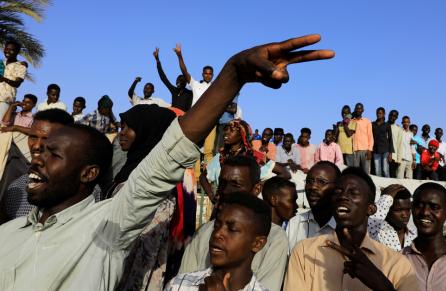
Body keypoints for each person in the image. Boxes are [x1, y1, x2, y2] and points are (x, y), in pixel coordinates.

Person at [0, 34, 335, 290]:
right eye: (39, 150)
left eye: (53, 154)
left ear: (89, 173)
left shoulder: (105, 226)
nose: (37, 159)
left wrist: (232, 75)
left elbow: (167, 156)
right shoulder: (8, 233)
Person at [284, 167, 418, 291]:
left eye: (353, 193)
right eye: (338, 192)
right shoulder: (304, 252)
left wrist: (382, 285)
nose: (343, 197)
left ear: (370, 209)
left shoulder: (397, 264)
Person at [181, 156, 289, 291]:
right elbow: (183, 282)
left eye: (235, 185)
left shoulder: (274, 238)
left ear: (256, 189)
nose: (225, 190)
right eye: (222, 183)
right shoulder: (205, 231)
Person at [112, 105, 178, 290]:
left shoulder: (154, 187)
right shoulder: (132, 169)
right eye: (121, 127)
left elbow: (143, 255)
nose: (121, 133)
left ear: (148, 131)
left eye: (128, 128)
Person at [165, 194, 271, 291]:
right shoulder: (179, 285)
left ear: (257, 244)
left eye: (232, 229)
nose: (217, 234)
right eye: (216, 225)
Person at [0, 109, 74, 223]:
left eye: (46, 139)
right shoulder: (17, 186)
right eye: (33, 137)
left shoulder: (80, 190)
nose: (36, 145)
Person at [174, 43, 216, 163]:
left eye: (210, 73)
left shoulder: (215, 87)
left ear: (212, 75)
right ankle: (195, 179)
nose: (208, 75)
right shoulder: (196, 84)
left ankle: (208, 180)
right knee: (194, 148)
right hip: (196, 119)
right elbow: (184, 71)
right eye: (206, 73)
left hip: (210, 120)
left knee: (208, 151)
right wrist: (179, 55)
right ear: (202, 74)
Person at [285, 161, 340, 252]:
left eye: (322, 182)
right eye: (309, 181)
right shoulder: (295, 223)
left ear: (337, 188)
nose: (313, 187)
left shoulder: (345, 227)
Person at [368, 184, 417, 251]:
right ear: (386, 209)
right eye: (398, 210)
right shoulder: (376, 232)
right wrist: (386, 199)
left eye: (408, 209)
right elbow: (369, 224)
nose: (405, 215)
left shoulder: (415, 235)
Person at [153, 47, 193, 112]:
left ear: (185, 83)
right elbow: (163, 78)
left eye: (181, 80)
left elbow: (189, 108)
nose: (178, 81)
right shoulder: (174, 90)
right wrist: (157, 60)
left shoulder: (189, 93)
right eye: (177, 80)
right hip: (172, 115)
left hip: (183, 118)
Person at [0, 39, 27, 119]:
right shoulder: (1, 63)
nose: (8, 51)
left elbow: (17, 84)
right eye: (6, 49)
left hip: (4, 100)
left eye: (12, 50)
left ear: (17, 52)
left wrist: (4, 79)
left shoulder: (21, 66)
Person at [372, 107, 393, 177]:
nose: (378, 115)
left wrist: (390, 153)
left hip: (385, 150)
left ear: (384, 114)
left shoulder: (387, 125)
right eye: (377, 113)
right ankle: (379, 187)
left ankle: (388, 186)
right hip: (376, 150)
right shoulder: (372, 124)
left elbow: (390, 139)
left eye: (380, 113)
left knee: (385, 170)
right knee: (377, 171)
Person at [352, 103, 373, 173]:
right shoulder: (351, 121)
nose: (358, 110)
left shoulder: (367, 121)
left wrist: (370, 150)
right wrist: (351, 115)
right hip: (355, 150)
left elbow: (370, 136)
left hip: (365, 150)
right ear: (354, 109)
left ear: (363, 110)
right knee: (355, 173)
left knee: (366, 173)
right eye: (357, 108)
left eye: (360, 108)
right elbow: (345, 119)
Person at [387, 109, 401, 176]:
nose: (392, 117)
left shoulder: (398, 129)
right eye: (391, 115)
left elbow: (399, 144)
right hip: (383, 155)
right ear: (388, 115)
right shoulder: (383, 125)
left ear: (396, 118)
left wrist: (398, 159)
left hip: (394, 157)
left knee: (392, 176)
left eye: (394, 116)